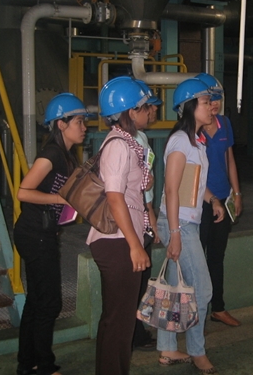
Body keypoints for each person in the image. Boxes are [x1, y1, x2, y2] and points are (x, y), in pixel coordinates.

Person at [14, 93, 89, 375]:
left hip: (42, 233)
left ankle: (27, 363)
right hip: (34, 234)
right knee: (49, 303)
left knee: (36, 301)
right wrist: (58, 199)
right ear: (61, 124)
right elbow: (23, 192)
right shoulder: (51, 155)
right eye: (79, 122)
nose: (84, 127)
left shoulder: (67, 156)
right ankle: (44, 365)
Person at [157, 77, 224, 375]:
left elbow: (192, 183)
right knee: (202, 290)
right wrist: (174, 234)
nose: (211, 107)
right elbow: (171, 189)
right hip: (179, 224)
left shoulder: (196, 141)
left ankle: (167, 347)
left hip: (184, 221)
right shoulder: (180, 141)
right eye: (205, 102)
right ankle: (197, 351)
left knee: (176, 290)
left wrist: (213, 200)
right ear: (189, 107)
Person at [87, 76, 153, 375]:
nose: (150, 111)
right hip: (118, 242)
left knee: (117, 321)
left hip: (121, 239)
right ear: (131, 111)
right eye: (145, 107)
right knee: (120, 322)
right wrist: (135, 247)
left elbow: (128, 188)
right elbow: (114, 198)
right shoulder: (118, 145)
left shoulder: (127, 142)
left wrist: (144, 181)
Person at [195, 73, 243, 328]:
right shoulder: (192, 130)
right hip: (199, 202)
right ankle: (196, 312)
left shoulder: (224, 123)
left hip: (223, 198)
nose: (214, 104)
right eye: (209, 99)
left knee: (216, 255)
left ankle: (218, 308)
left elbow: (229, 159)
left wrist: (237, 193)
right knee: (197, 257)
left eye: (217, 99)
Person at [132, 79, 162, 351]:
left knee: (142, 278)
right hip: (134, 218)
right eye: (149, 107)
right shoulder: (128, 141)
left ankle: (137, 330)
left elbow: (147, 186)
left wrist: (152, 215)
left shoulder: (141, 137)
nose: (153, 112)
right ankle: (132, 333)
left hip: (144, 213)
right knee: (135, 279)